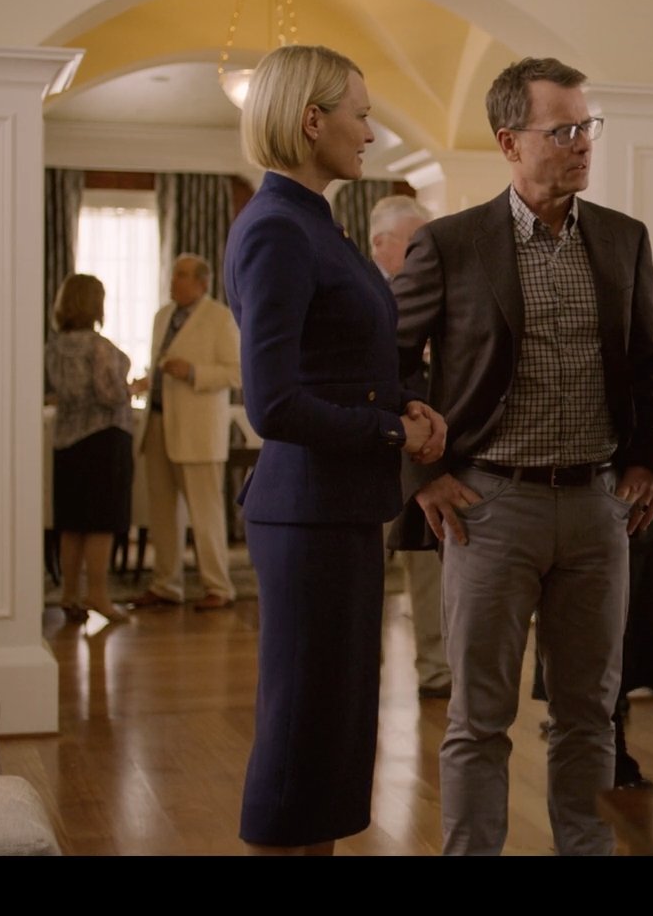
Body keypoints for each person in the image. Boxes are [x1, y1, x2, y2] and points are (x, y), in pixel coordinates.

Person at [393, 57, 653, 856]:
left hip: (597, 508)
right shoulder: (451, 244)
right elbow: (392, 361)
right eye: (563, 130)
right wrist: (425, 474)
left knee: (591, 713)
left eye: (587, 127)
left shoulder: (622, 239)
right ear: (509, 142)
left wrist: (652, 461)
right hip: (489, 507)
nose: (582, 143)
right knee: (479, 716)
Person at [224, 43, 447, 855]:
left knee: (327, 742)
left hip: (338, 508)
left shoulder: (312, 223)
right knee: (301, 744)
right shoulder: (277, 229)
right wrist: (392, 431)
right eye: (361, 114)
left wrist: (401, 400)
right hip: (307, 514)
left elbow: (340, 363)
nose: (371, 132)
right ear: (312, 121)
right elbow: (274, 402)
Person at [367, 194, 450, 700]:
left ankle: (437, 670)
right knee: (368, 569)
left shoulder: (434, 291)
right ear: (381, 243)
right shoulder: (362, 291)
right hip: (373, 451)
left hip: (425, 452)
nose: (426, 251)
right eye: (415, 242)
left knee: (428, 563)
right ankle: (363, 669)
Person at [129, 254, 242, 611]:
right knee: (162, 512)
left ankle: (218, 587)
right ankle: (166, 584)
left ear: (202, 283)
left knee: (205, 513)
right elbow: (161, 366)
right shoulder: (162, 316)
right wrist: (147, 382)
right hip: (157, 424)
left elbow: (237, 372)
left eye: (182, 275)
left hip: (198, 431)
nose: (173, 281)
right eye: (174, 274)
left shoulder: (220, 318)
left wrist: (193, 372)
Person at [44, 273, 134, 625]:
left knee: (72, 522)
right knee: (101, 521)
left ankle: (69, 594)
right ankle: (97, 594)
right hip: (103, 439)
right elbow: (110, 394)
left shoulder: (54, 347)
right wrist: (134, 387)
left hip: (67, 440)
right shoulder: (99, 347)